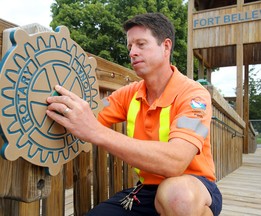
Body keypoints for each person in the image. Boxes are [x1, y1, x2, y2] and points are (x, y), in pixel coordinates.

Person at [46, 12, 222, 216]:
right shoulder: (127, 94)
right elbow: (89, 113)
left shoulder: (194, 95)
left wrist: (97, 132)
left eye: (141, 44)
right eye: (130, 46)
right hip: (146, 191)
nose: (132, 52)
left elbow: (176, 162)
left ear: (166, 46)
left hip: (194, 188)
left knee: (176, 195)